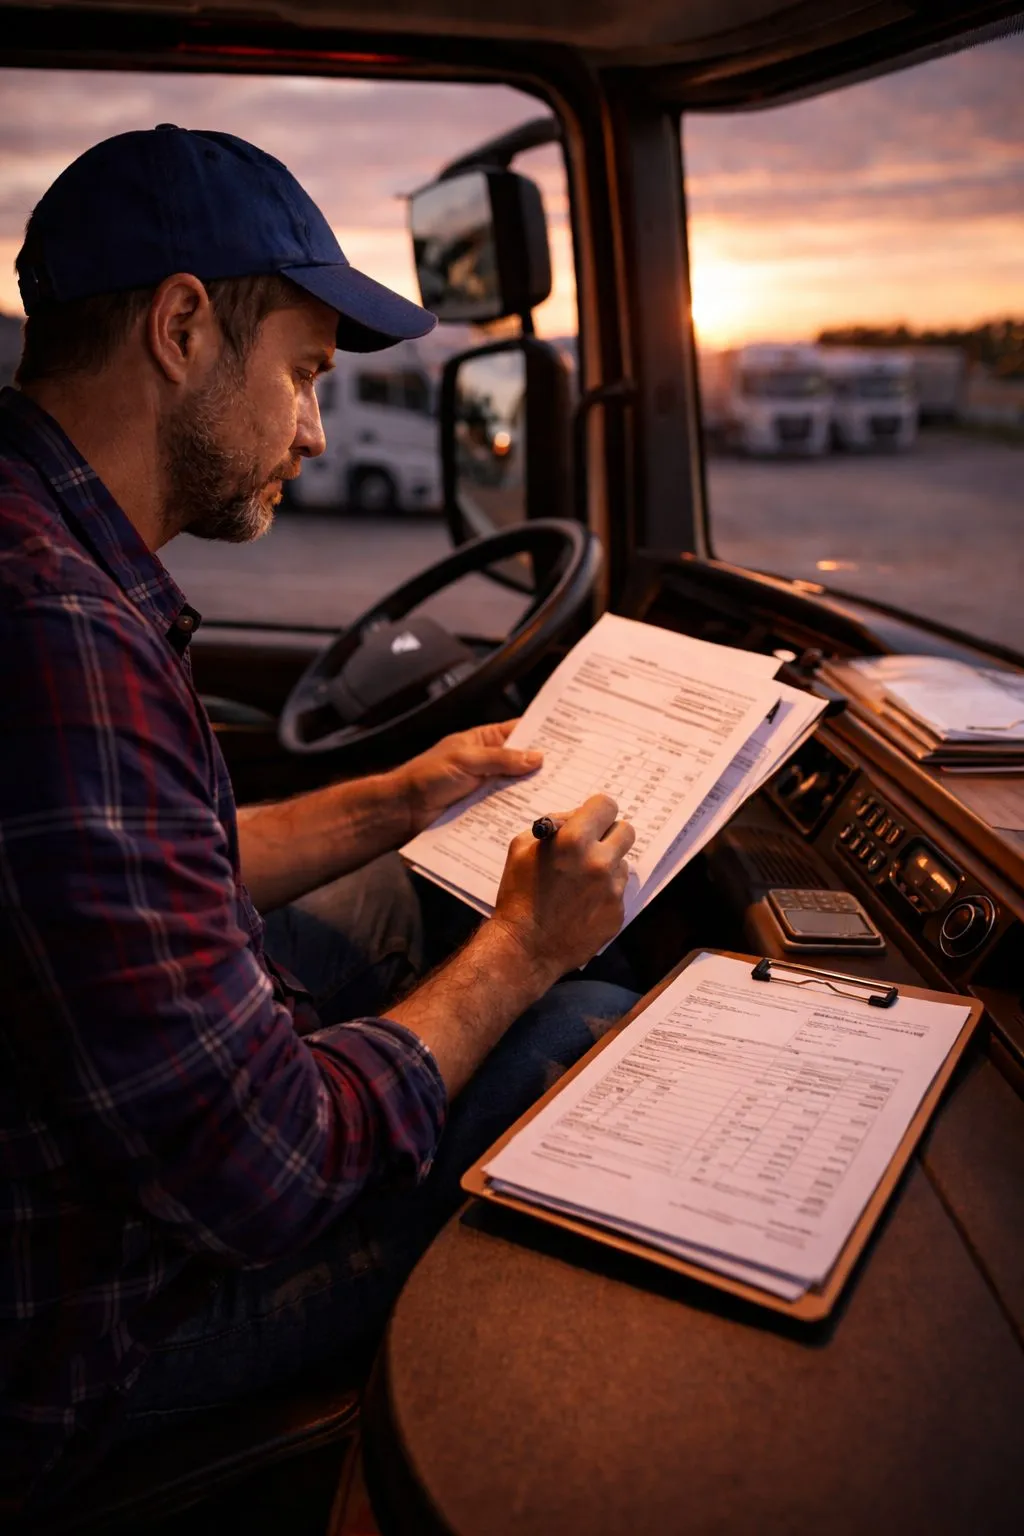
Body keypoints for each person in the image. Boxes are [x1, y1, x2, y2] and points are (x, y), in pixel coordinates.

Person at [0, 126, 637, 1516]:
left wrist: (405, 799)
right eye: (299, 375)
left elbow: (144, 866)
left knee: (408, 894)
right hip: (72, 1330)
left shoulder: (46, 545)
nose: (314, 430)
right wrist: (527, 953)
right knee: (590, 1037)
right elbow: (258, 1176)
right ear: (180, 329)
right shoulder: (54, 630)